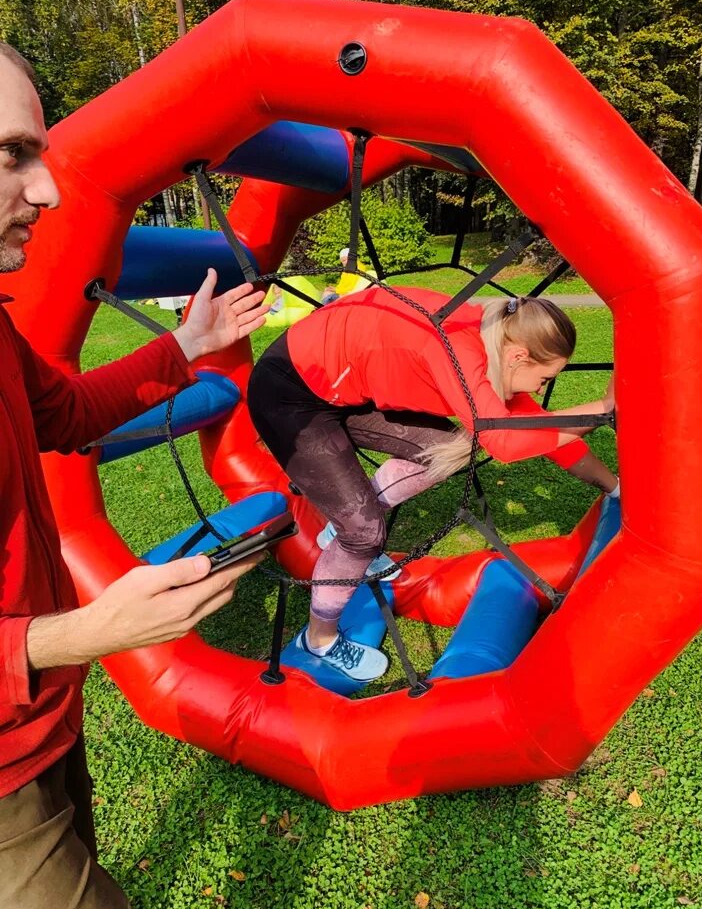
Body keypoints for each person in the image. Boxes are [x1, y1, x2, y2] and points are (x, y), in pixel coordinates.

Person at [0, 42, 270, 909]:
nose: (45, 191)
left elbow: (66, 413)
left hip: (39, 720)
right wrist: (83, 631)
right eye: (13, 156)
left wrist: (182, 348)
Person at [248, 285, 617, 684]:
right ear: (518, 355)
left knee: (449, 447)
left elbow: (538, 430)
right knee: (365, 535)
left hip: (343, 388)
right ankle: (318, 639)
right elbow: (505, 443)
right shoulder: (459, 351)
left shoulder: (494, 338)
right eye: (544, 378)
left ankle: (339, 530)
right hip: (290, 394)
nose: (540, 389)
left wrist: (614, 487)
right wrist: (602, 410)